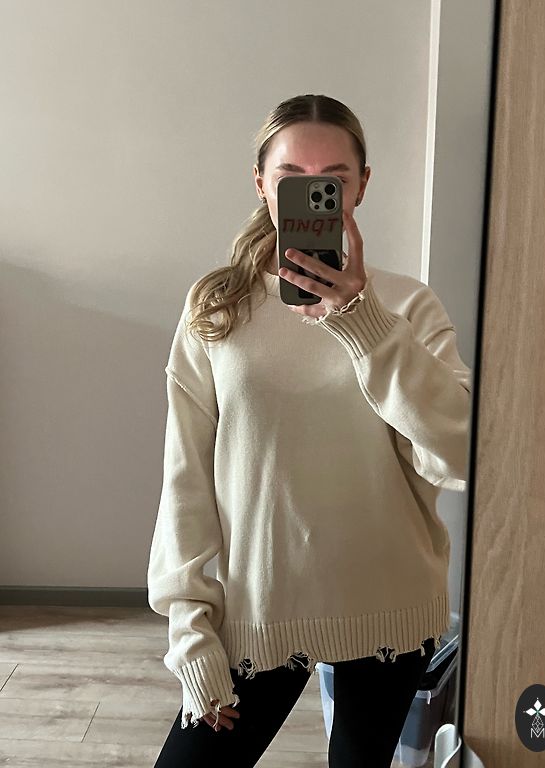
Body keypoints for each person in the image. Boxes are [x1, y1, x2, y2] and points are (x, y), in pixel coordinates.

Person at [147, 93, 471, 767]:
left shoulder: (408, 305)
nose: (314, 194)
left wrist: (362, 321)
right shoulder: (217, 307)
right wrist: (190, 631)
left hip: (388, 605)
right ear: (262, 185)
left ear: (361, 187)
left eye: (334, 179)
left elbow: (462, 452)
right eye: (293, 176)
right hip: (259, 607)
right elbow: (185, 479)